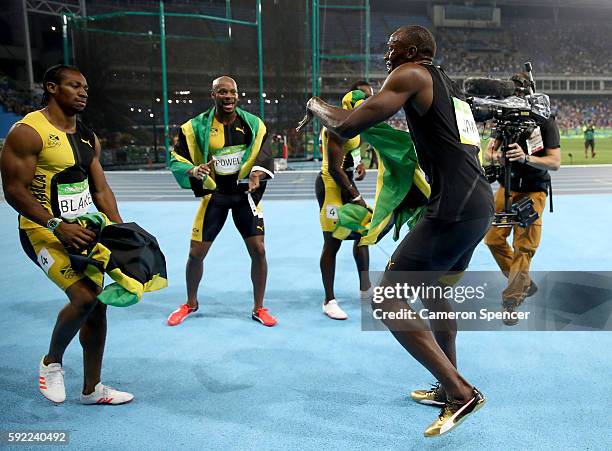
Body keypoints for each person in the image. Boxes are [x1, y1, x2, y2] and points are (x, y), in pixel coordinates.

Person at [298, 25, 493, 437]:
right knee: (435, 289)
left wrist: (314, 103)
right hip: (477, 204)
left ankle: (461, 393)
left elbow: (346, 125)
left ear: (413, 50)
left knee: (387, 299)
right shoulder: (447, 85)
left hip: (454, 207)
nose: (387, 55)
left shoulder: (411, 74)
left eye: (392, 48)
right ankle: (447, 383)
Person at [0, 64, 133, 405]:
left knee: (99, 306)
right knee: (85, 297)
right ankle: (51, 362)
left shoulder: (88, 137)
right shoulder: (28, 132)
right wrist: (56, 225)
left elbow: (101, 189)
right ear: (51, 88)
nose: (83, 91)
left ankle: (92, 389)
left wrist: (119, 229)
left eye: (85, 87)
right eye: (74, 86)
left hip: (86, 232)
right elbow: (14, 191)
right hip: (41, 232)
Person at [166, 76, 277, 327]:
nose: (228, 96)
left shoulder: (252, 125)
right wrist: (193, 171)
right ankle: (190, 303)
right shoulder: (196, 128)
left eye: (232, 92)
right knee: (196, 254)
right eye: (222, 92)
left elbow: (264, 152)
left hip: (243, 196)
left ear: (238, 95)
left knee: (259, 250)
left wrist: (258, 172)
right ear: (213, 95)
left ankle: (259, 308)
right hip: (215, 195)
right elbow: (177, 159)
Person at [484, 72, 561, 324]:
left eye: (517, 92)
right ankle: (523, 282)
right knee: (493, 239)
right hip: (507, 187)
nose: (513, 98)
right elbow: (491, 150)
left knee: (524, 247)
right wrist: (494, 156)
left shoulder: (544, 121)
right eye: (510, 93)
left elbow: (555, 162)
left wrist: (525, 158)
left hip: (533, 190)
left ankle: (512, 300)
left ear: (528, 94)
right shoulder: (504, 120)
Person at [316, 82, 373, 320]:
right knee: (333, 243)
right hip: (332, 187)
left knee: (363, 235)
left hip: (346, 183)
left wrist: (358, 163)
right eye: (365, 96)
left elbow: (350, 152)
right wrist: (357, 197)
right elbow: (334, 168)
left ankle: (365, 289)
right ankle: (329, 300)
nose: (370, 100)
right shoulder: (336, 125)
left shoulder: (357, 122)